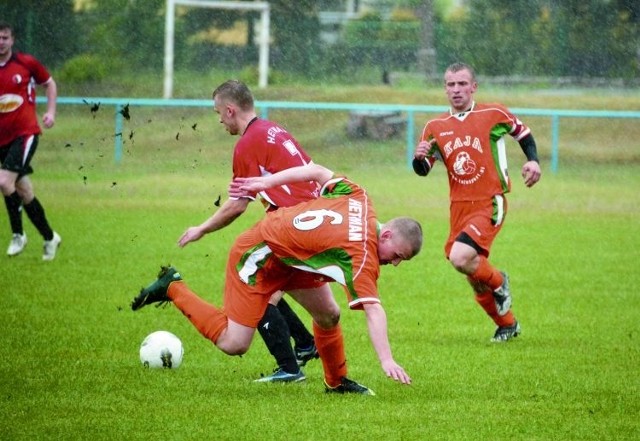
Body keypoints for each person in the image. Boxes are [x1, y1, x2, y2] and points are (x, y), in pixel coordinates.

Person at [132, 163, 423, 395]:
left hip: (290, 258)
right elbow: (374, 309)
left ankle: (337, 383)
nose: (394, 263)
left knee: (328, 314)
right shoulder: (361, 257)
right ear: (385, 234)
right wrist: (386, 359)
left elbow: (316, 170)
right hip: (258, 254)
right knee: (235, 343)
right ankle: (173, 287)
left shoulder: (360, 197)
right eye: (397, 255)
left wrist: (266, 183)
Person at [176, 80, 323, 383]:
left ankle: (290, 369)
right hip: (313, 222)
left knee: (257, 287)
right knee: (294, 297)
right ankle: (307, 345)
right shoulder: (273, 129)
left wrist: (201, 229)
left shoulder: (247, 143)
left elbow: (237, 205)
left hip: (293, 227)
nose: (219, 120)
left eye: (218, 113)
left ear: (230, 110)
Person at [412, 62, 541, 342]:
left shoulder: (493, 113)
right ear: (444, 88)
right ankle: (507, 325)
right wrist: (419, 158)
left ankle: (500, 281)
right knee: (474, 276)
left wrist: (533, 161)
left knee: (461, 258)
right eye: (450, 84)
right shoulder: (435, 127)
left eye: (461, 84)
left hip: (489, 201)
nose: (456, 90)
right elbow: (423, 170)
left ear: (473, 87)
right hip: (458, 206)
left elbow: (523, 133)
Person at [0, 22, 61, 260]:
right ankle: (49, 237)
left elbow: (50, 83)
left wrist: (51, 112)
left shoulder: (25, 63)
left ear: (12, 40)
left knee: (5, 182)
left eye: (5, 37)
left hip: (25, 134)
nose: (1, 42)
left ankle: (18, 234)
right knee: (24, 192)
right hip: (2, 140)